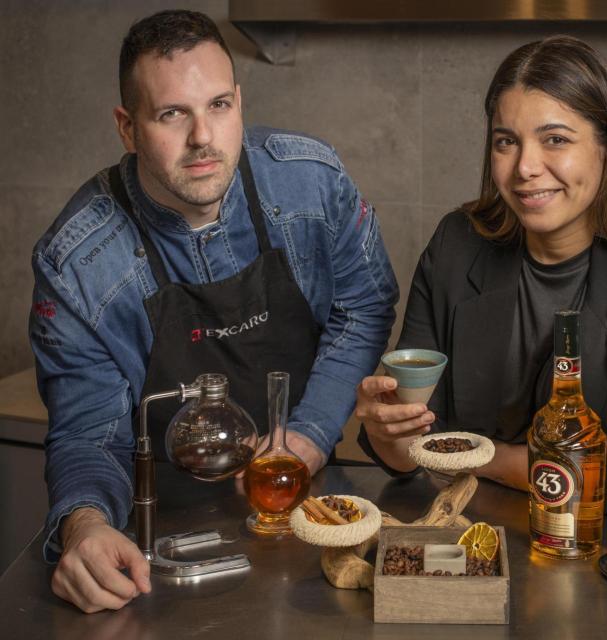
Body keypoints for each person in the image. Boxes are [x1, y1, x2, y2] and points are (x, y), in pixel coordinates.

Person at [29, 10, 398, 613]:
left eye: (220, 105)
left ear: (240, 102)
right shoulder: (77, 264)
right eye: (172, 113)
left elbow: (363, 304)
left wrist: (306, 434)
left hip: (305, 511)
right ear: (127, 127)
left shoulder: (309, 181)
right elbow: (88, 432)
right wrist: (84, 527)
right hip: (165, 544)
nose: (203, 136)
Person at [356, 36, 607, 509]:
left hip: (600, 546)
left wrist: (477, 455)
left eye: (555, 139)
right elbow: (413, 449)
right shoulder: (457, 245)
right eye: (506, 142)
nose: (525, 168)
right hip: (468, 530)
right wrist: (385, 429)